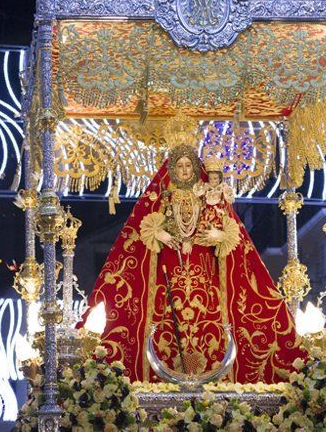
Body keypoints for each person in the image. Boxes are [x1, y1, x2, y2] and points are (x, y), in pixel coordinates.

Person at [82, 116, 305, 383]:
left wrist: (218, 235)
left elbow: (232, 234)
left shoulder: (211, 196)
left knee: (216, 329)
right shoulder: (162, 198)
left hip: (206, 281)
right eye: (180, 165)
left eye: (189, 165)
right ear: (173, 169)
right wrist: (160, 232)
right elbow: (144, 228)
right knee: (161, 327)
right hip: (168, 282)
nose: (186, 170)